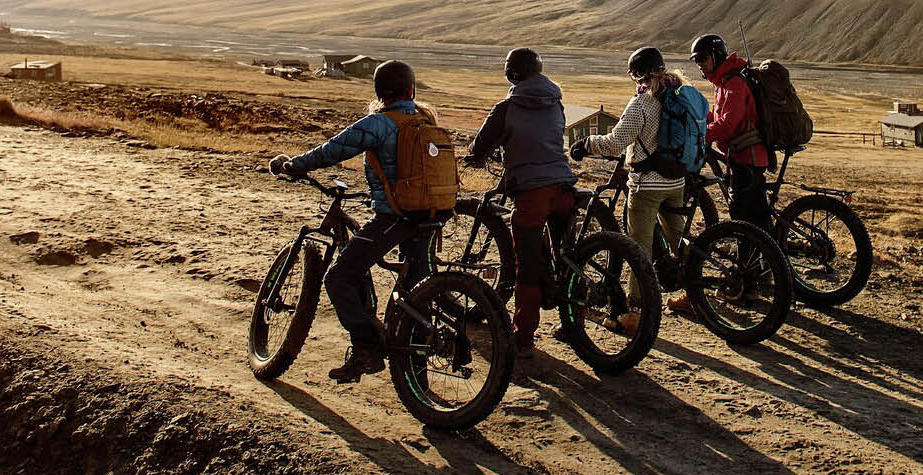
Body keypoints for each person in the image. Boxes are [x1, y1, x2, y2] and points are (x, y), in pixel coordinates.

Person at [268, 59, 440, 384]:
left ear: (379, 92)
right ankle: (419, 386)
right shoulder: (425, 120)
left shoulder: (379, 123)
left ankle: (367, 349)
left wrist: (295, 165)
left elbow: (334, 149)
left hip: (398, 217)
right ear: (411, 89)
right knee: (417, 290)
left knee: (339, 278)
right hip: (433, 216)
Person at [465, 47, 574, 361]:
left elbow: (482, 143)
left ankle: (523, 336)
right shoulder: (556, 102)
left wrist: (475, 155)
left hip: (532, 190)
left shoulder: (508, 106)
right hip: (564, 186)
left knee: (525, 265)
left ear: (512, 73)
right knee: (566, 257)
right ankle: (573, 324)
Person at [577, 46, 697, 328]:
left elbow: (616, 143)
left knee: (638, 247)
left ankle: (635, 311)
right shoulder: (680, 94)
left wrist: (586, 144)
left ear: (637, 75)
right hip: (676, 180)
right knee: (680, 238)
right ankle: (696, 294)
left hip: (647, 185)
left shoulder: (642, 103)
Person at [689, 33, 771, 231]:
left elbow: (727, 126)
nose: (699, 64)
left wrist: (698, 135)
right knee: (751, 216)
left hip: (747, 159)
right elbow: (720, 119)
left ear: (716, 56)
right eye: (696, 60)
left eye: (703, 59)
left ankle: (755, 261)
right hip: (740, 157)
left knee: (745, 221)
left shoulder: (733, 83)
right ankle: (764, 256)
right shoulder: (723, 82)